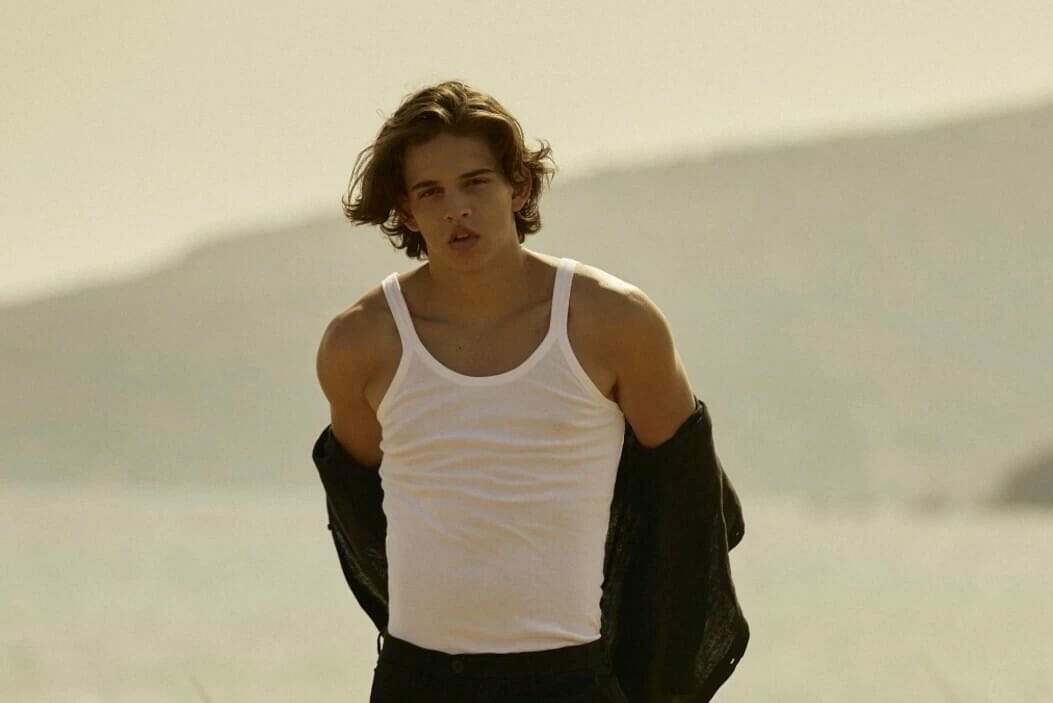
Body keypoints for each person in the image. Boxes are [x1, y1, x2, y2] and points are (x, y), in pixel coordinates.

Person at [315, 80, 746, 702]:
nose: (456, 209)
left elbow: (686, 503)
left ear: (517, 187)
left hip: (569, 679)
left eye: (475, 183)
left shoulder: (614, 321)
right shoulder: (360, 342)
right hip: (418, 681)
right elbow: (359, 509)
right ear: (405, 211)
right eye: (431, 192)